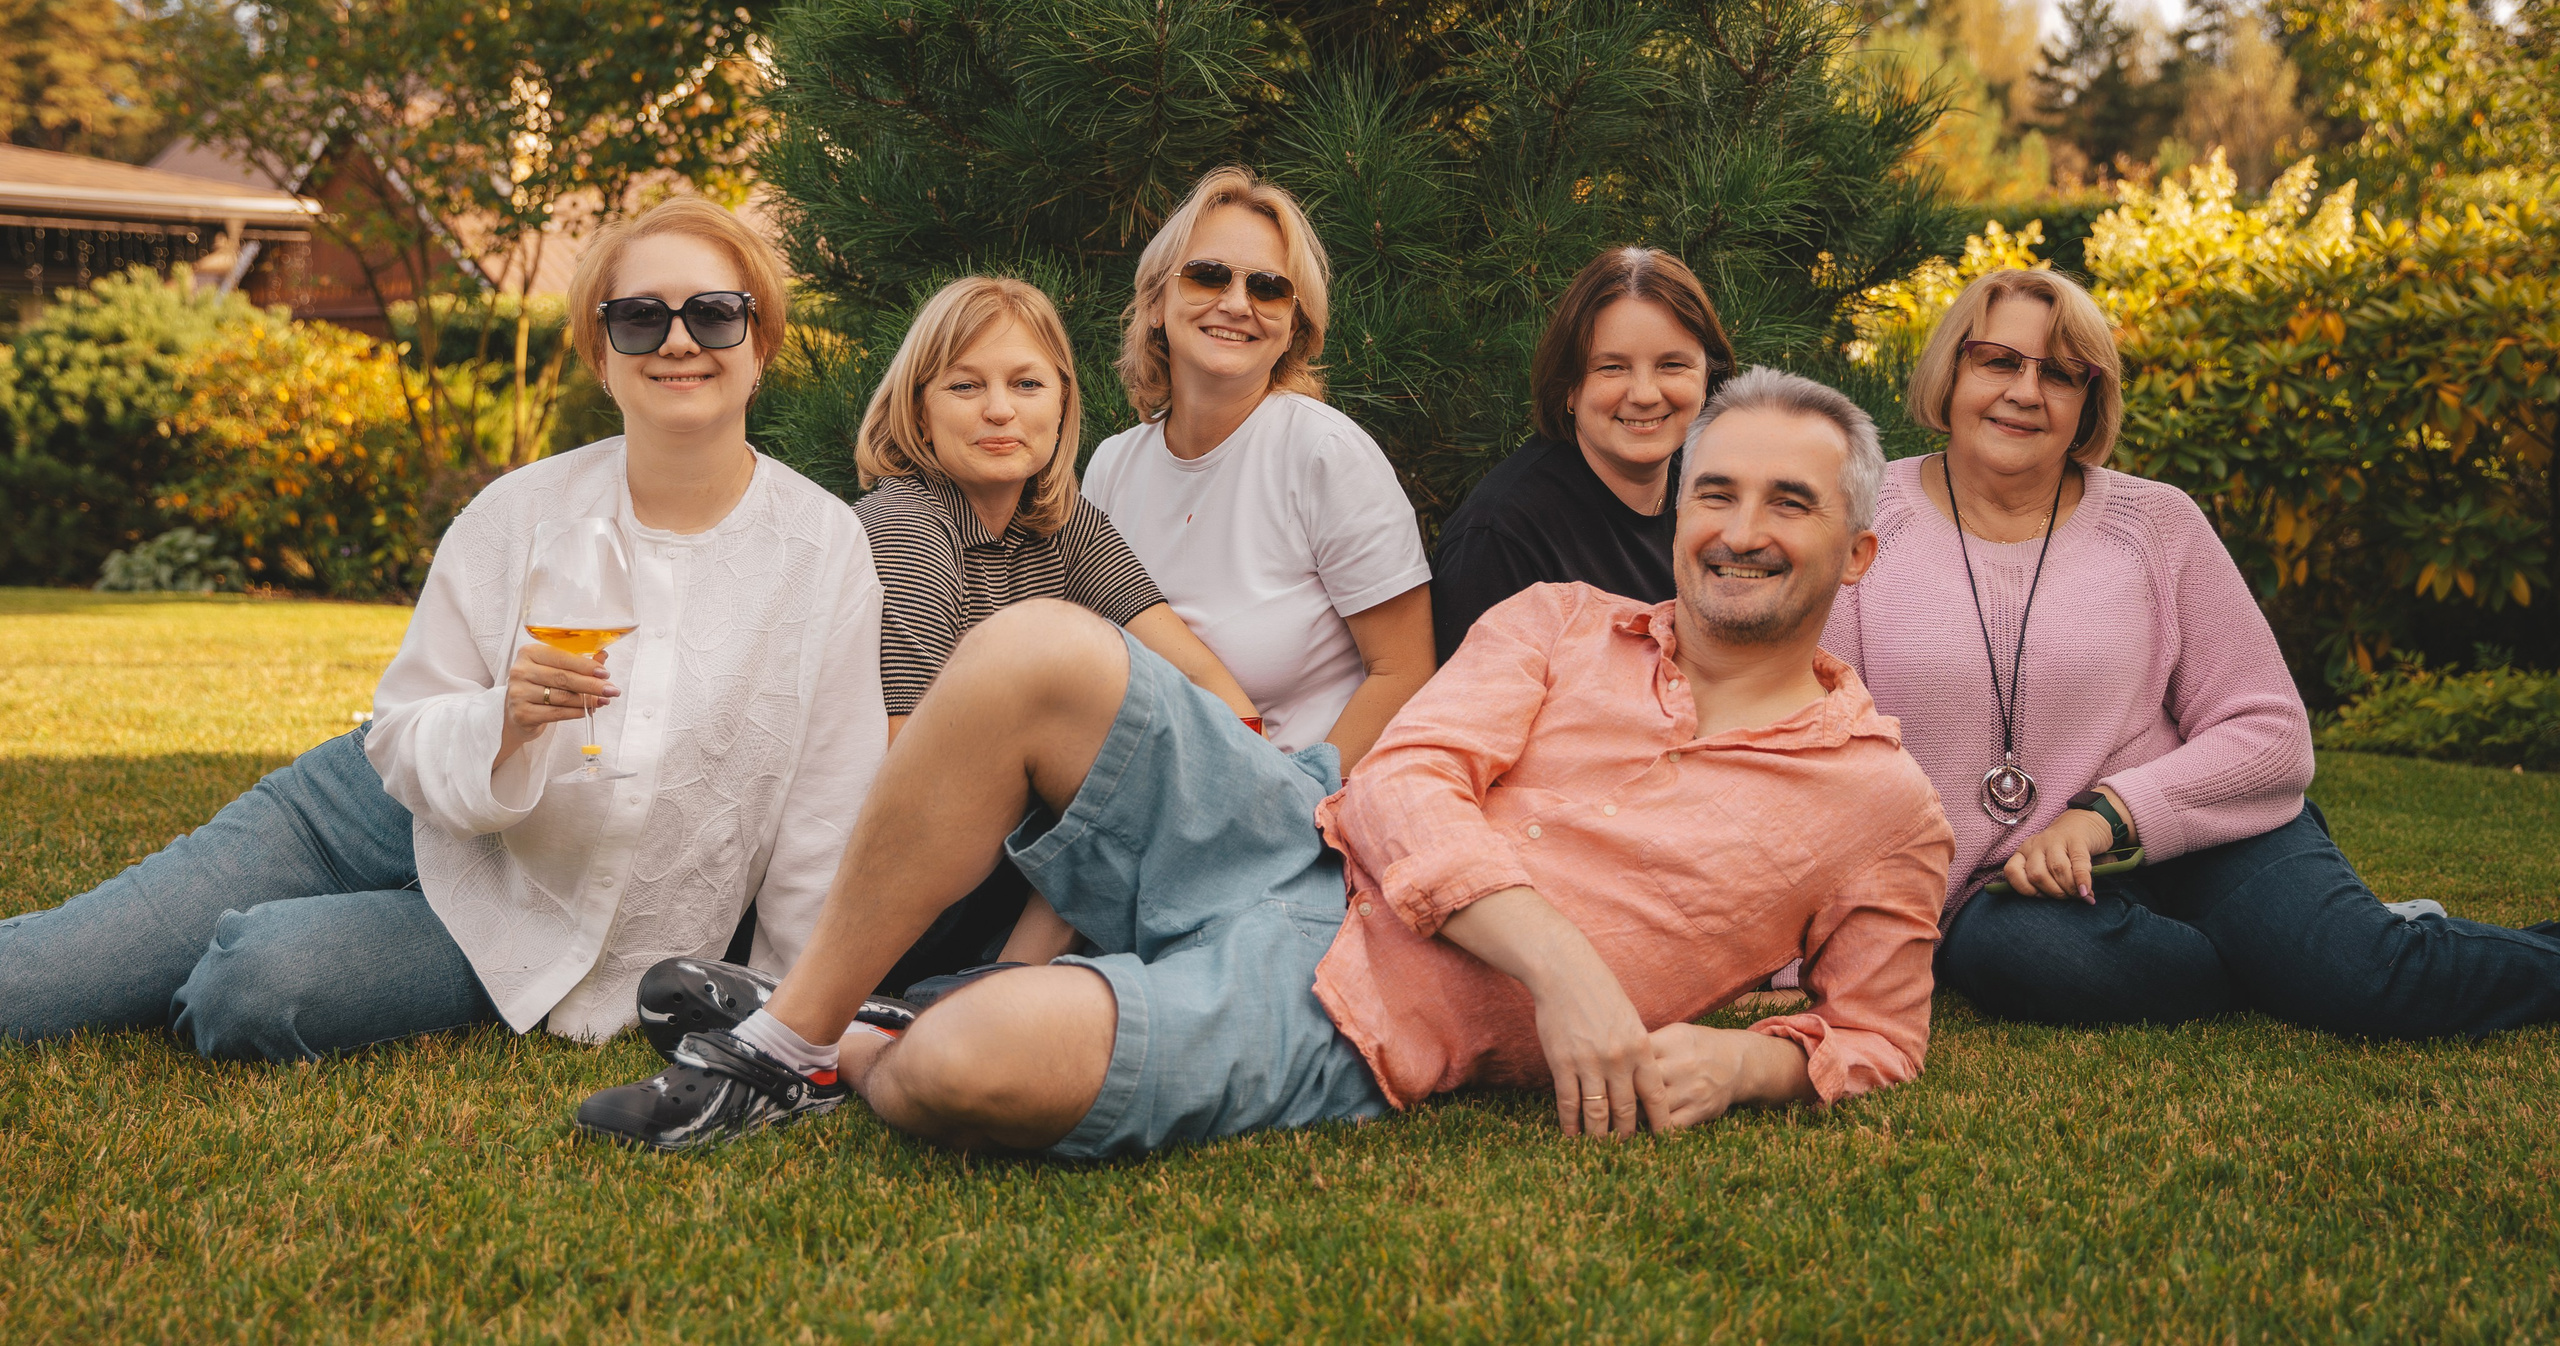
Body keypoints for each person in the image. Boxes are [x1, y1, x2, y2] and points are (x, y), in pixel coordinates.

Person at [573, 368, 1954, 1156]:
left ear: (1858, 548)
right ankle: (788, 1036)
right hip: (1292, 830)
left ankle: (867, 1037)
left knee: (966, 1068)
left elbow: (1880, 1032)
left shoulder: (1878, 802)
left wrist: (1744, 1068)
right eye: (1715, 489)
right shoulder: (1557, 623)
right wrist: (1572, 969)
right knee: (1041, 644)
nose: (1740, 526)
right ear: (1679, 515)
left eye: (1789, 500)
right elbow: (1404, 782)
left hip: (1370, 1009)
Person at [0, 198, 888, 1061]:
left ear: (760, 341)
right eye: (640, 319)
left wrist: (788, 1020)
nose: (680, 340)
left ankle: (208, 960)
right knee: (47, 978)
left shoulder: (823, 548)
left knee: (253, 987)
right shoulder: (519, 510)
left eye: (715, 313)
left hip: (542, 904)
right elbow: (408, 722)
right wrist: (506, 717)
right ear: (601, 356)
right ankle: (129, 966)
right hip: (372, 808)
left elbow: (826, 814)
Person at [1822, 267, 2560, 1036]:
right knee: (2023, 960)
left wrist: (2104, 816)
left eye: (2063, 374)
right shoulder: (1867, 526)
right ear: (1952, 371)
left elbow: (2271, 729)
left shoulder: (2156, 524)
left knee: (2367, 985)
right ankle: (2305, 955)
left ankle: (2343, 952)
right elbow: (1818, 756)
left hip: (2202, 833)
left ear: (2088, 404)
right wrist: (1790, 957)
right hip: (2005, 888)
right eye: (1999, 361)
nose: (2026, 392)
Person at [640, 276, 1257, 1043]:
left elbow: (1213, 686)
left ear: (1062, 402)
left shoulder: (1065, 527)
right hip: (871, 880)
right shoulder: (905, 524)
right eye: (966, 385)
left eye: (1026, 383)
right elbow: (912, 770)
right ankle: (991, 994)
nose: (1000, 409)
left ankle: (995, 993)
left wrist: (1216, 760)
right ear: (920, 409)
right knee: (1108, 771)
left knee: (1132, 766)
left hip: (985, 866)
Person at [1080, 165, 1434, 765]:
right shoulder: (1113, 467)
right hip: (1149, 795)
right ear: (1156, 303)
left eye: (1269, 288)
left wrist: (1299, 807)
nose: (1237, 303)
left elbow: (1404, 672)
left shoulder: (1324, 454)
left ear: (1295, 325)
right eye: (1207, 276)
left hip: (1300, 809)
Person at [1430, 246, 1733, 662]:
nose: (1644, 394)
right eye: (1612, 367)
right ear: (1569, 386)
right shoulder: (1500, 537)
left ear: (1708, 379)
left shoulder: (1719, 495)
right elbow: (1469, 717)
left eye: (1672, 365)